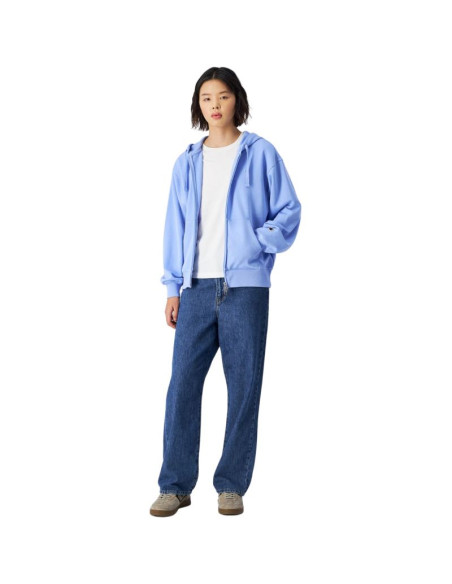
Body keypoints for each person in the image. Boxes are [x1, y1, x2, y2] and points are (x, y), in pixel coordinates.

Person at [150, 66, 302, 517]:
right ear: (198, 106)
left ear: (238, 99)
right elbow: (175, 226)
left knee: (243, 387)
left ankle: (231, 485)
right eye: (206, 98)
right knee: (182, 386)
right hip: (195, 288)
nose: (214, 105)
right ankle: (175, 485)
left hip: (245, 289)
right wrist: (172, 286)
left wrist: (259, 241)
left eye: (222, 96)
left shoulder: (261, 153)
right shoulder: (187, 163)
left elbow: (289, 210)